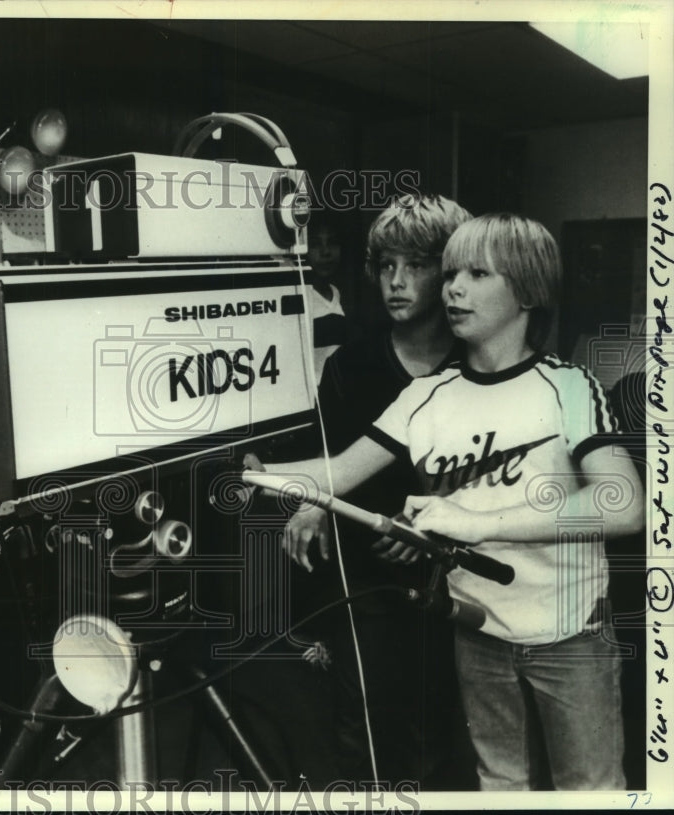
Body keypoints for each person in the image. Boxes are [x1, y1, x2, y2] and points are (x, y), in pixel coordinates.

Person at [259, 213, 643, 790]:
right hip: (478, 633)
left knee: (589, 790)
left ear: (528, 291)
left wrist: (476, 522)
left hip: (570, 636)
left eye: (477, 273)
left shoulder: (567, 385)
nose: (453, 289)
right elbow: (336, 472)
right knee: (499, 782)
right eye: (453, 273)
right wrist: (245, 470)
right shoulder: (427, 394)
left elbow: (623, 504)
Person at [278, 193, 473, 785]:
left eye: (415, 266)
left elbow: (493, 476)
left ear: (449, 274)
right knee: (361, 722)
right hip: (364, 571)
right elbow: (334, 464)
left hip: (454, 571)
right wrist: (310, 504)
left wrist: (436, 527)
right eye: (387, 266)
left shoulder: (479, 364)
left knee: (444, 724)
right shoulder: (351, 365)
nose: (397, 281)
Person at [305, 220, 347, 384]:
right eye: (315, 244)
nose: (326, 252)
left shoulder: (336, 292)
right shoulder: (301, 296)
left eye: (332, 242)